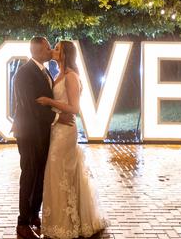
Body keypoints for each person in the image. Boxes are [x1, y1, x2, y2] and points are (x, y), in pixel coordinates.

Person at [36, 40, 109, 239]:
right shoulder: (58, 74)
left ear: (66, 54)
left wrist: (49, 101)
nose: (53, 50)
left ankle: (65, 224)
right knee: (59, 173)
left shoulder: (71, 76)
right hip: (57, 128)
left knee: (57, 172)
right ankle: (60, 220)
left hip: (65, 131)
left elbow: (75, 108)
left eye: (57, 48)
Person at [11, 36, 75, 239]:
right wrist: (58, 117)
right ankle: (22, 223)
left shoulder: (45, 70)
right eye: (48, 48)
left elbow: (47, 102)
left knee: (40, 174)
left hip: (43, 132)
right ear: (39, 51)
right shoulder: (24, 73)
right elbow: (31, 106)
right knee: (29, 175)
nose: (51, 51)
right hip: (29, 133)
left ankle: (33, 215)